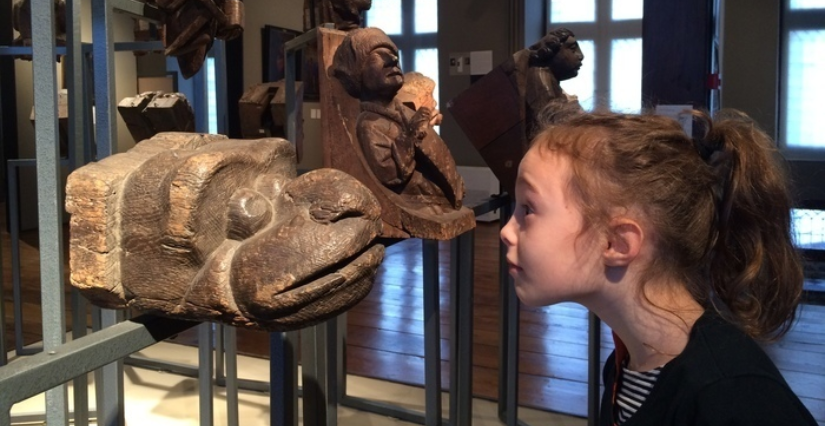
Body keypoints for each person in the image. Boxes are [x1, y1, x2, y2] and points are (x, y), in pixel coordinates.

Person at [500, 108, 818, 425]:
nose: (506, 231)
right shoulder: (626, 366)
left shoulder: (734, 397)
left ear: (617, 242)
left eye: (528, 209)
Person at [332, 27, 464, 211]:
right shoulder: (369, 124)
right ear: (358, 73)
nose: (393, 59)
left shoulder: (404, 112)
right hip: (417, 202)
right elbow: (390, 174)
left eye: (394, 54)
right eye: (378, 55)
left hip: (438, 198)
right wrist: (410, 135)